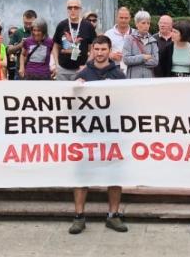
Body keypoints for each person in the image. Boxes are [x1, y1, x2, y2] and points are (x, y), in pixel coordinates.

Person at [70, 35, 128, 234]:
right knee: (81, 175)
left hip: (112, 132)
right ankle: (79, 216)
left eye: (104, 49)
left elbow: (127, 103)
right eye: (97, 49)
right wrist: (74, 89)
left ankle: (113, 215)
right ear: (92, 50)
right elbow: (71, 105)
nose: (100, 53)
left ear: (110, 50)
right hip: (87, 132)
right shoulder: (83, 74)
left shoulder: (119, 75)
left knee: (114, 174)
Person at [52, 0, 97, 81]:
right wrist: (56, 64)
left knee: (79, 94)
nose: (73, 10)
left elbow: (93, 49)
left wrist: (87, 65)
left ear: (80, 9)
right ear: (67, 9)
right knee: (62, 94)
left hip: (80, 70)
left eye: (76, 7)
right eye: (70, 7)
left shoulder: (88, 26)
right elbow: (55, 45)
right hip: (62, 70)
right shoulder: (62, 25)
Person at [122, 10, 158, 79]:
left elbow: (155, 61)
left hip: (148, 78)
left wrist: (135, 62)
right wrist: (143, 57)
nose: (146, 26)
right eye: (143, 23)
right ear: (137, 24)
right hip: (133, 78)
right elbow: (126, 59)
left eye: (148, 23)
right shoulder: (129, 39)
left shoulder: (153, 40)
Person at [7, 10, 37, 81]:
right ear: (23, 20)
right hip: (20, 70)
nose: (28, 25)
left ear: (36, 20)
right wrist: (20, 45)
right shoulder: (18, 32)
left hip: (37, 70)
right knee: (18, 92)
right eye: (25, 23)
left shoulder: (41, 32)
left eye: (30, 23)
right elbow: (9, 50)